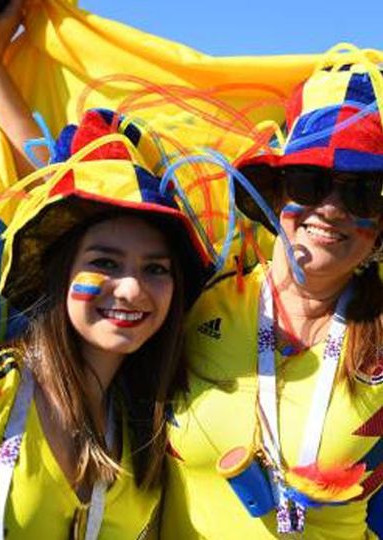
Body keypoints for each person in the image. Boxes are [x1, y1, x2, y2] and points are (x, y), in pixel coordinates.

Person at [162, 63, 383, 538]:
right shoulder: (189, 300)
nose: (331, 208)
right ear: (277, 191)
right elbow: (92, 242)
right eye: (309, 181)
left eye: (361, 192)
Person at [0, 99, 212, 536]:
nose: (131, 289)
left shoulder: (152, 431)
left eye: (156, 269)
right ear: (61, 272)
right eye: (105, 263)